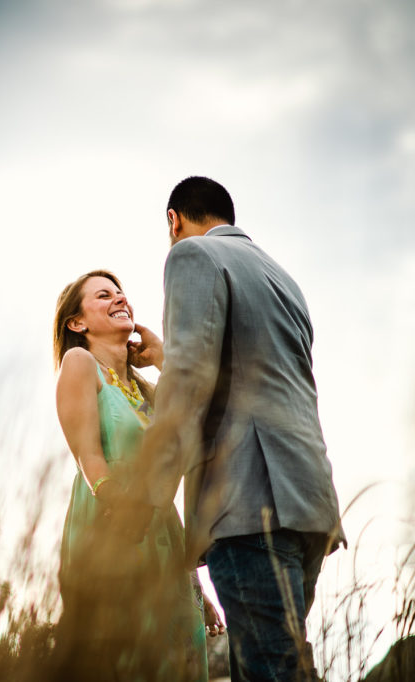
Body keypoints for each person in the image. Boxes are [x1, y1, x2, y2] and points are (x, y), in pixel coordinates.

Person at [137, 177, 346, 681]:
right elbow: (251, 374)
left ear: (174, 220)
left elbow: (190, 383)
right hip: (309, 502)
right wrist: (165, 355)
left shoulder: (191, 257)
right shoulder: (282, 278)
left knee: (271, 672)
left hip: (248, 503)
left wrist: (146, 498)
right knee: (282, 664)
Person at [52, 270, 223, 681]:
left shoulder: (149, 391)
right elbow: (88, 457)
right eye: (103, 295)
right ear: (77, 323)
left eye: (122, 293)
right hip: (112, 524)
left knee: (176, 663)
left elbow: (206, 405)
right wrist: (117, 502)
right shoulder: (80, 364)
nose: (120, 299)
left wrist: (163, 356)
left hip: (163, 535)